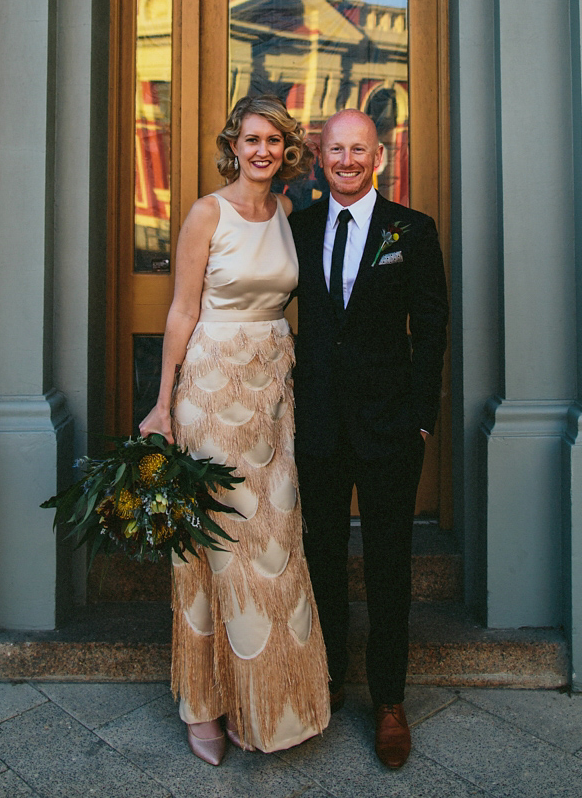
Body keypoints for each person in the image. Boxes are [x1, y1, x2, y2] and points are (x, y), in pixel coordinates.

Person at [139, 94, 331, 765]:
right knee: (215, 552)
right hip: (213, 396)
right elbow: (181, 312)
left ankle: (265, 705)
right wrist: (162, 407)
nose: (262, 151)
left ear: (287, 151)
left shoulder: (286, 213)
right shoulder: (205, 213)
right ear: (234, 144)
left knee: (274, 547)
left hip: (272, 395)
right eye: (252, 139)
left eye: (274, 141)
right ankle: (204, 706)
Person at [289, 108, 448, 770]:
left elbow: (433, 323)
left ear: (379, 156)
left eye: (359, 149)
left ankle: (388, 701)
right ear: (320, 158)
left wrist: (419, 418)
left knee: (387, 565)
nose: (347, 160)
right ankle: (323, 681)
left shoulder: (412, 229)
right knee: (321, 556)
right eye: (335, 149)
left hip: (389, 429)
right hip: (319, 425)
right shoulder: (294, 227)